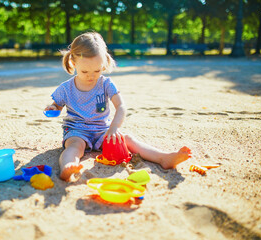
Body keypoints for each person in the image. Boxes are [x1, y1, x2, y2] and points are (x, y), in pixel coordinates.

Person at [45, 32, 192, 181]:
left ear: (104, 63)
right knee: (75, 147)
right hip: (77, 131)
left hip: (103, 129)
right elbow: (56, 104)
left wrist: (114, 127)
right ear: (74, 64)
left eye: (97, 70)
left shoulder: (106, 84)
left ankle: (163, 158)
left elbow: (121, 105)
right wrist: (53, 108)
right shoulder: (65, 88)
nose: (91, 76)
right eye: (85, 71)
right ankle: (68, 167)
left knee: (128, 139)